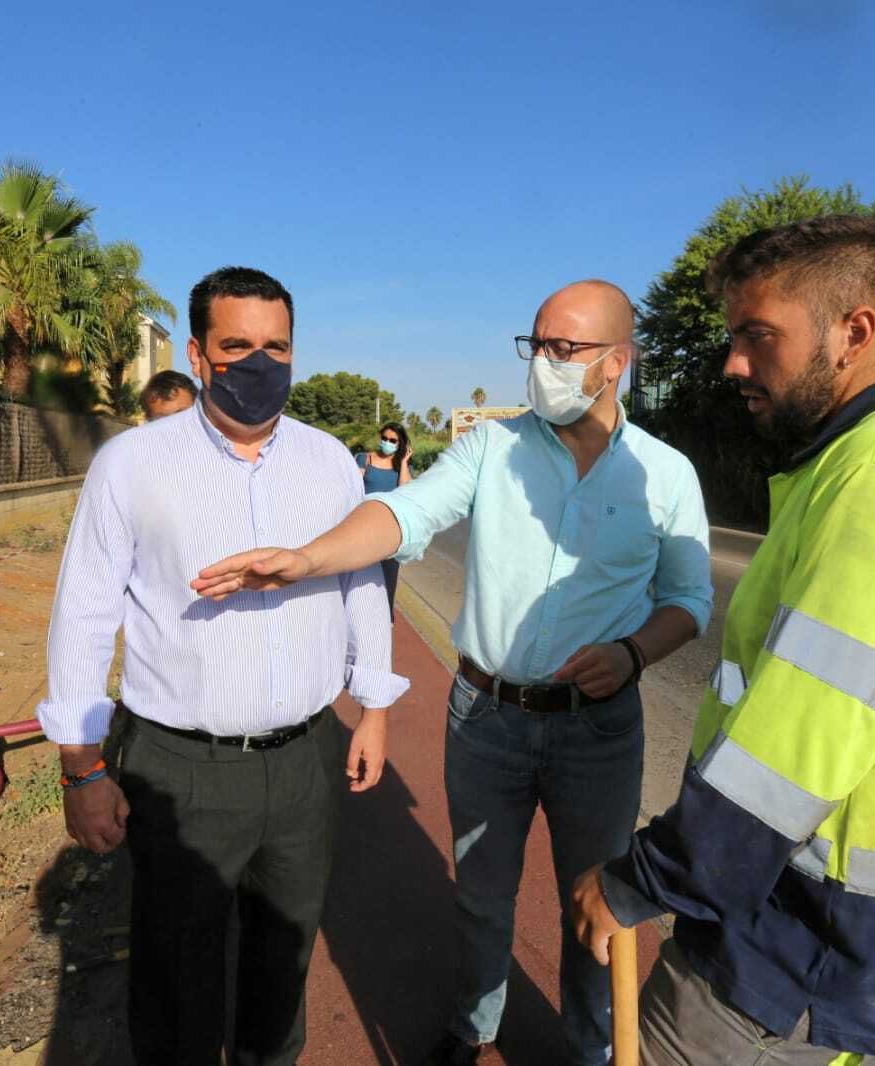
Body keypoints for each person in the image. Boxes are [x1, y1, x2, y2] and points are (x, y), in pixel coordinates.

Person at [194, 280, 714, 1066]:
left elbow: (688, 601)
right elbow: (407, 513)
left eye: (564, 350)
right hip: (486, 720)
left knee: (598, 900)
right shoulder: (492, 449)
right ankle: (474, 1026)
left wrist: (635, 652)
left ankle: (590, 1045)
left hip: (599, 732)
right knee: (481, 897)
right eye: (535, 345)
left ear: (618, 362)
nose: (543, 364)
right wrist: (308, 557)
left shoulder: (665, 475)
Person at [569, 216, 875, 1066]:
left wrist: (638, 881)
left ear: (855, 332)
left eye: (758, 336)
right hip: (849, 947)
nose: (734, 362)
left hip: (803, 956)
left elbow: (791, 752)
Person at [37, 265, 408, 1066]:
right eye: (237, 346)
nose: (259, 364)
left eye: (276, 347)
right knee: (176, 974)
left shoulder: (328, 463)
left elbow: (362, 589)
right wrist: (80, 766)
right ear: (200, 356)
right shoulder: (134, 464)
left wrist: (373, 706)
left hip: (305, 758)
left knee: (284, 962)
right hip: (182, 769)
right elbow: (85, 612)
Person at [355, 420, 413, 614]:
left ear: (400, 444)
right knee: (360, 578)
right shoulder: (365, 459)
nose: (387, 442)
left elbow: (406, 491)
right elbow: (352, 487)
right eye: (385, 438)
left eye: (393, 440)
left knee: (388, 579)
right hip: (363, 527)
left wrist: (404, 462)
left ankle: (387, 620)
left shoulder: (401, 467)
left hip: (390, 530)